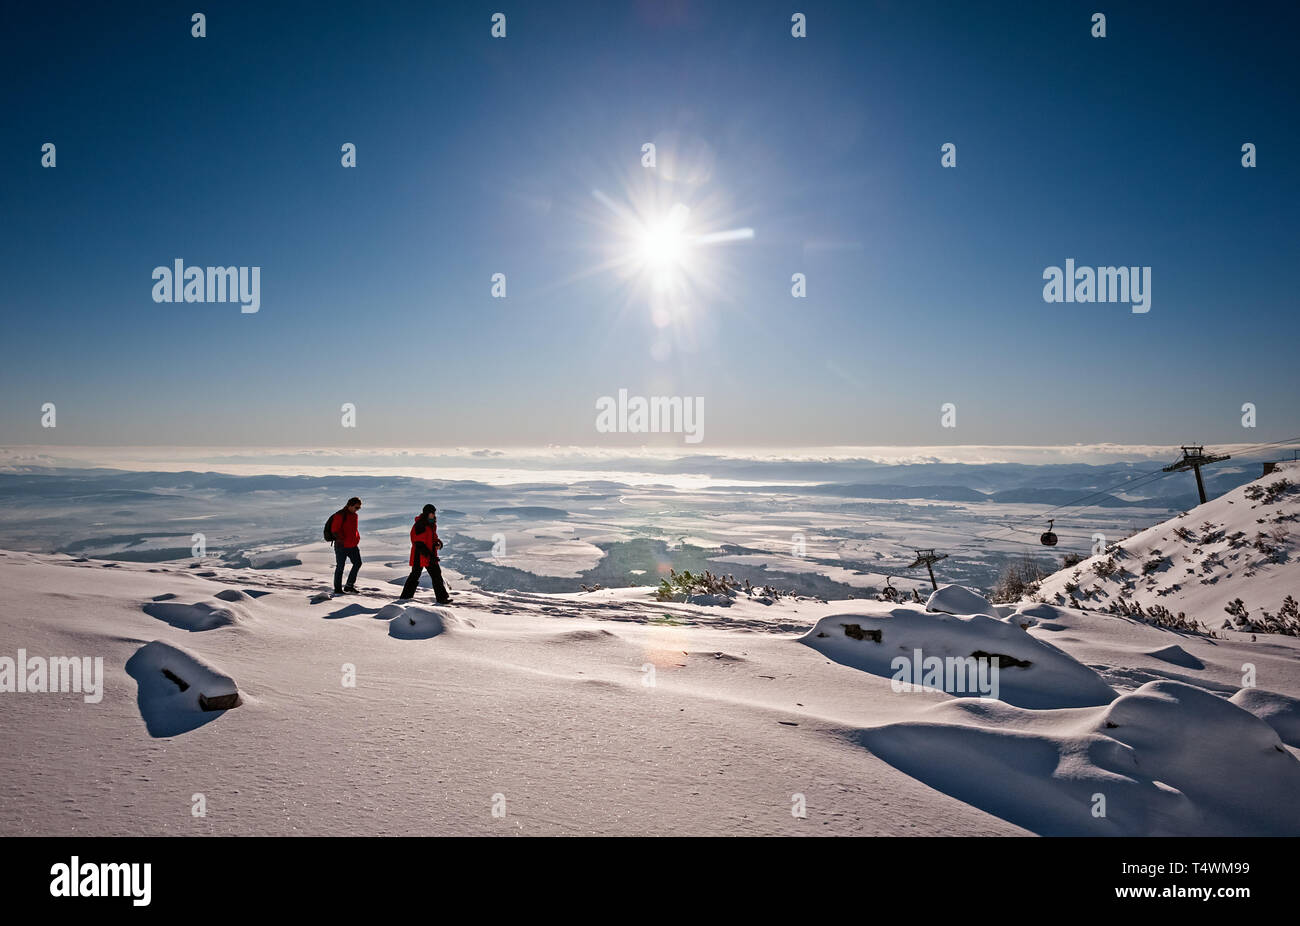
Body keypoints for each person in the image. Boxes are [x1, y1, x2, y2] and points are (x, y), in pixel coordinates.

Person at [399, 504, 451, 603]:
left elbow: (433, 538)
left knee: (436, 575)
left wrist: (438, 543)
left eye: (434, 513)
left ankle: (442, 598)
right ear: (427, 513)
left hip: (429, 555)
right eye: (432, 513)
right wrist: (430, 555)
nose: (434, 515)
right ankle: (405, 597)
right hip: (419, 555)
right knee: (415, 575)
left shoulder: (431, 524)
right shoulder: (420, 525)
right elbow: (418, 542)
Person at [329, 497, 363, 594]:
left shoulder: (354, 515)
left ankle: (349, 586)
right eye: (356, 507)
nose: (357, 510)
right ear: (350, 505)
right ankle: (338, 589)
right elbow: (334, 530)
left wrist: (356, 539)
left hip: (353, 545)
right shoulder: (340, 515)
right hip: (342, 546)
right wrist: (342, 540)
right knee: (340, 567)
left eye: (359, 508)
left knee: (357, 563)